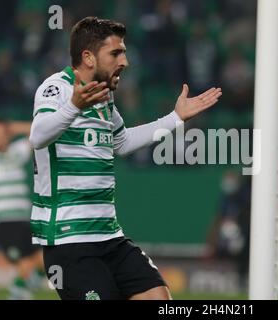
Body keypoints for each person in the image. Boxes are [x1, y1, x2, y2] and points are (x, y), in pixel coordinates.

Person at [28, 16, 222, 300]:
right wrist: (73, 106)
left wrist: (175, 118)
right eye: (116, 53)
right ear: (88, 57)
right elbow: (38, 136)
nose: (125, 61)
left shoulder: (104, 98)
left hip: (110, 237)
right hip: (69, 242)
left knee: (159, 298)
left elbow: (122, 141)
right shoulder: (56, 88)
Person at [0, 117, 45, 300]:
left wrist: (12, 127)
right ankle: (19, 294)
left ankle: (20, 292)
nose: (0, 138)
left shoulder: (17, 151)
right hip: (5, 221)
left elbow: (39, 131)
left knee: (45, 258)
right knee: (25, 262)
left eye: (3, 135)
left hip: (26, 218)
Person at [205, 170, 251, 291]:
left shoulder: (244, 196)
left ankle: (243, 279)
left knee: (243, 253)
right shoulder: (225, 199)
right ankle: (221, 278)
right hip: (228, 237)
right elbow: (219, 217)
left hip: (244, 234)